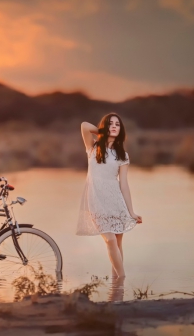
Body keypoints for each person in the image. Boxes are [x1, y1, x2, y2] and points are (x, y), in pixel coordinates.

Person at [77, 113, 142, 280]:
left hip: (116, 201)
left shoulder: (123, 156)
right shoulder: (92, 147)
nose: (114, 126)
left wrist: (131, 212)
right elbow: (84, 124)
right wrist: (103, 131)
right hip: (96, 200)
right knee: (110, 241)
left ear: (121, 130)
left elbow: (124, 185)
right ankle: (123, 280)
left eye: (117, 124)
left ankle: (116, 289)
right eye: (110, 124)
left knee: (118, 244)